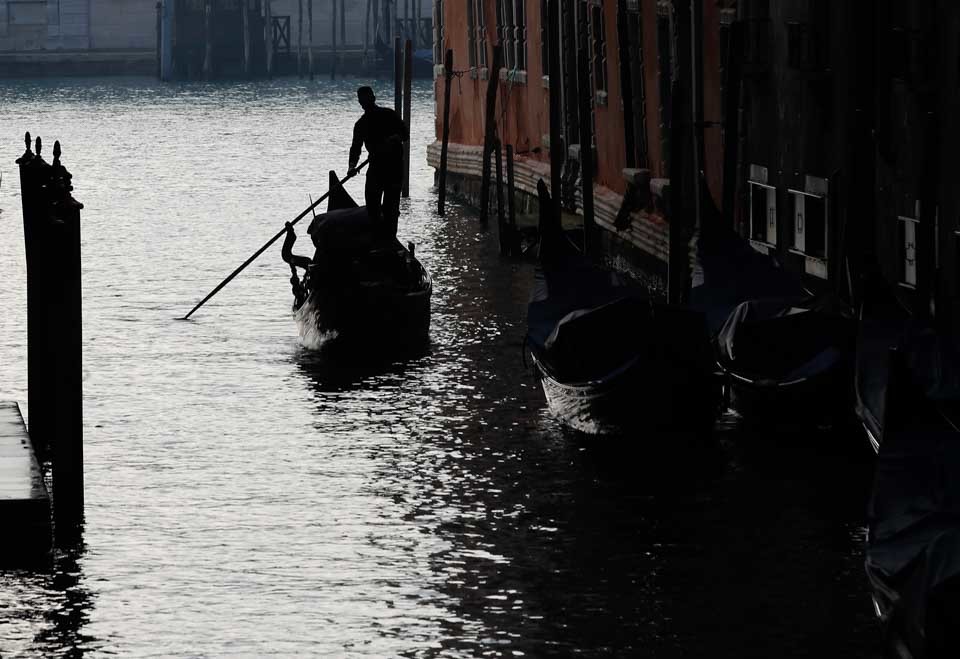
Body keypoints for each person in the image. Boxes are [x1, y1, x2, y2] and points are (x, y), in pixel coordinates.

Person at [348, 86, 408, 239]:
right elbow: (356, 147)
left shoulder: (388, 115)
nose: (364, 103)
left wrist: (395, 138)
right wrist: (352, 166)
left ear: (371, 99)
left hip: (393, 168)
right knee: (374, 204)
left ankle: (388, 238)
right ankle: (382, 237)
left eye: (365, 100)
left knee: (389, 206)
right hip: (377, 167)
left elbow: (404, 134)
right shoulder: (361, 124)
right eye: (362, 100)